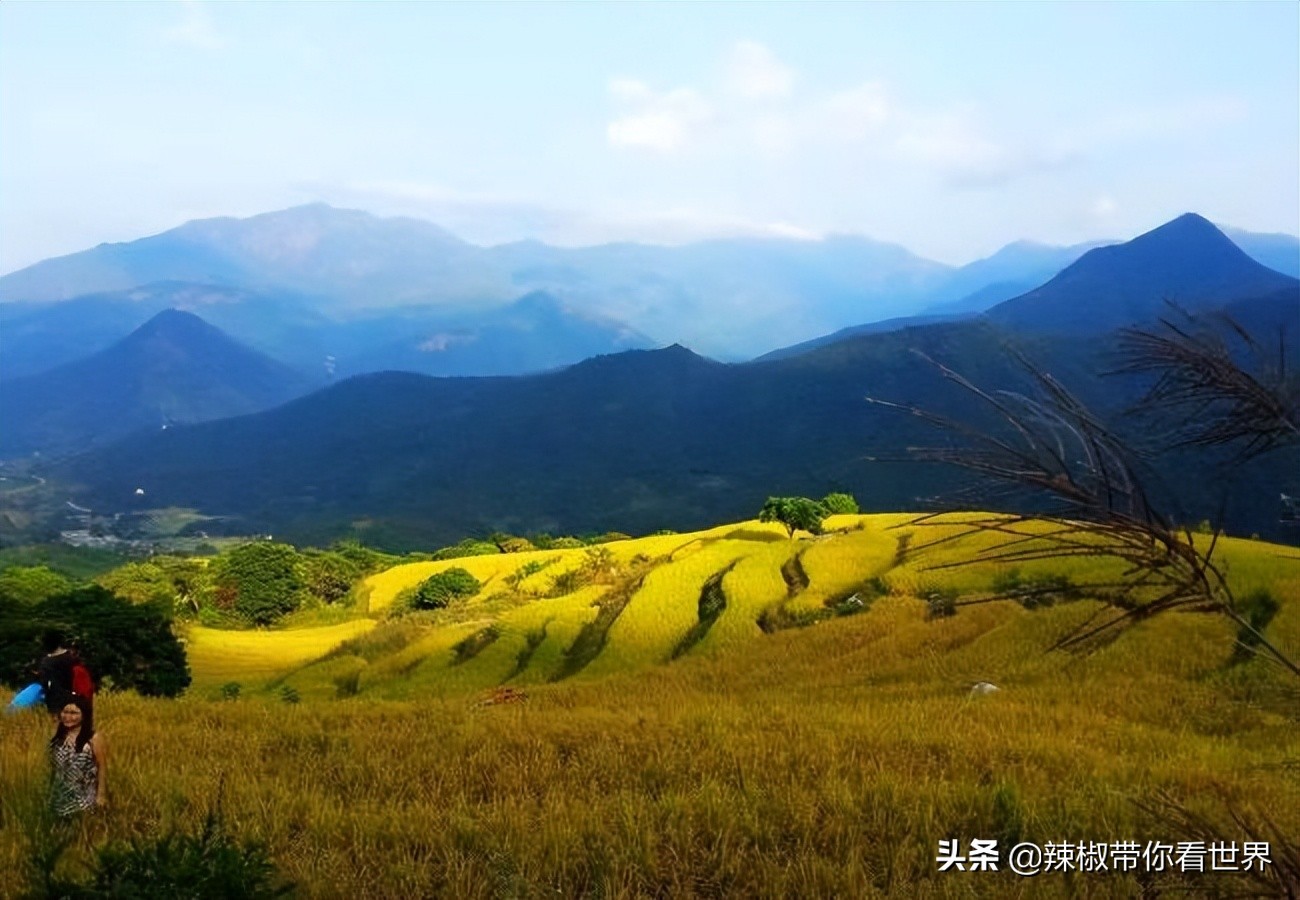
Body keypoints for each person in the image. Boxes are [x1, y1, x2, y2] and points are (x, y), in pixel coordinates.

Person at [48, 694, 106, 817]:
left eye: (74, 713)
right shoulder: (59, 738)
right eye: (65, 712)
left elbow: (102, 767)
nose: (68, 717)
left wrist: (101, 795)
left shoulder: (93, 738)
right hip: (60, 797)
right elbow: (54, 769)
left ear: (84, 715)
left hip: (84, 799)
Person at [37, 629, 76, 716]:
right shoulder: (72, 658)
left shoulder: (46, 662)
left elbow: (44, 683)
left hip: (54, 702)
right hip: (74, 700)